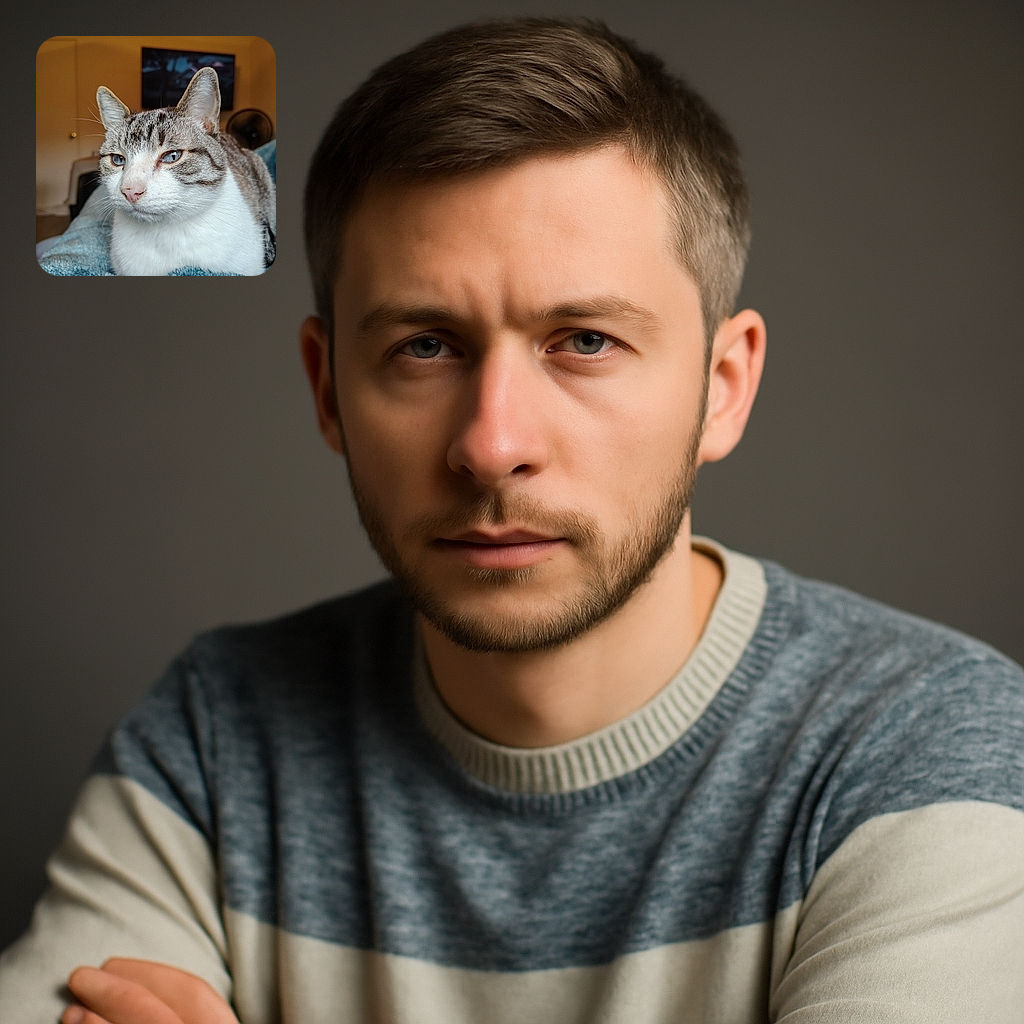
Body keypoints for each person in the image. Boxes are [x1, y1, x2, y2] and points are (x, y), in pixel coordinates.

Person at [3, 16, 1023, 1024]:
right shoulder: (216, 740)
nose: (492, 445)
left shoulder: (929, 747)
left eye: (584, 340)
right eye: (424, 347)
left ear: (722, 387)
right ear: (327, 389)